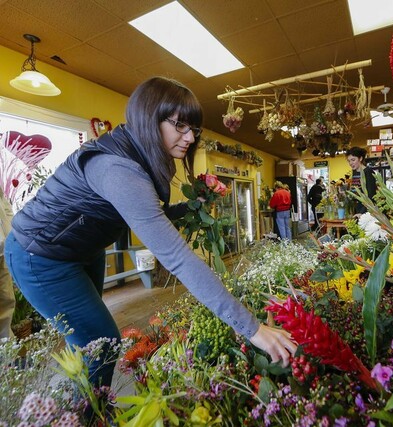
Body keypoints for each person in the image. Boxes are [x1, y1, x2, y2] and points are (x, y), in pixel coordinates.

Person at [4, 77, 296, 389]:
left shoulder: (133, 154)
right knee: (100, 342)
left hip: (82, 247)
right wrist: (252, 329)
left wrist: (188, 207)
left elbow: (142, 213)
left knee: (90, 344)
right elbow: (178, 259)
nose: (188, 138)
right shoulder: (117, 170)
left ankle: (94, 407)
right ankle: (86, 416)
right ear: (148, 117)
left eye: (193, 130)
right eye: (180, 125)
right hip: (40, 256)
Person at [0, 188, 14, 339]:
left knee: (7, 303)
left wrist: (11, 237)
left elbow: (4, 204)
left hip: (3, 249)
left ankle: (8, 359)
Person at [346, 146, 377, 215]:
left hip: (365, 212)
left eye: (353, 160)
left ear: (360, 158)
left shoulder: (368, 172)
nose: (350, 163)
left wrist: (362, 212)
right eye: (349, 161)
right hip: (356, 210)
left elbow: (371, 195)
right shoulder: (354, 172)